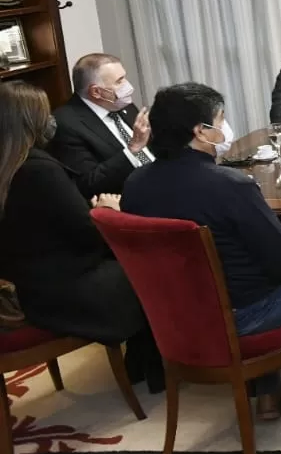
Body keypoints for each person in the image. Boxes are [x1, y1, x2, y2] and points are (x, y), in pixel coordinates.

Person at [121, 82, 281, 419]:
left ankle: (267, 391)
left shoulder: (135, 183)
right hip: (245, 313)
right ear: (200, 131)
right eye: (220, 119)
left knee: (239, 273)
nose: (224, 128)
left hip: (175, 316)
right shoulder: (229, 185)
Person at [0, 82, 162, 390]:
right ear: (30, 120)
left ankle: (145, 364)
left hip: (32, 289)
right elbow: (87, 234)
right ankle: (151, 367)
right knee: (150, 268)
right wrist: (107, 212)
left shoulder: (10, 166)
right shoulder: (38, 169)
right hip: (72, 292)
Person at [50, 53, 152, 198]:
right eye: (119, 81)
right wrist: (132, 150)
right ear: (96, 92)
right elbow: (88, 183)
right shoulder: (65, 124)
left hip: (159, 179)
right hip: (129, 198)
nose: (128, 86)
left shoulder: (122, 104)